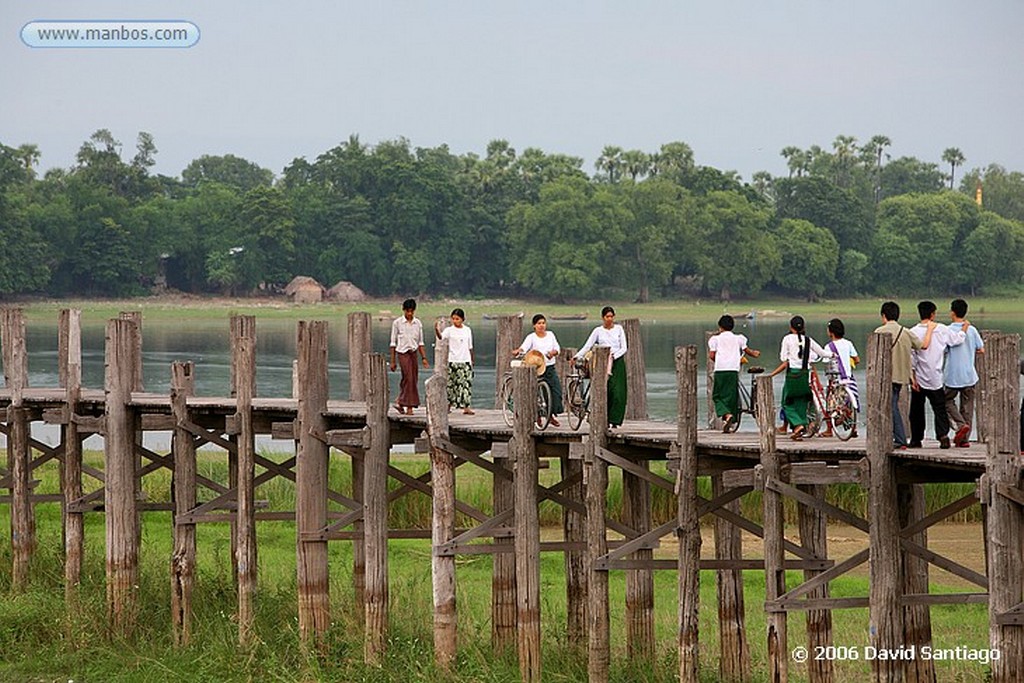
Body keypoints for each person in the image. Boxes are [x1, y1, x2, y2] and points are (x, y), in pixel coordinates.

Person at [875, 301, 932, 449]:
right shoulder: (906, 332)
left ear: (884, 316)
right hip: (901, 376)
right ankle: (896, 437)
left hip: (886, 377)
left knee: (891, 406)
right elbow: (922, 346)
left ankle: (900, 439)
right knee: (892, 405)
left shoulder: (879, 332)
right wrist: (931, 330)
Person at [909, 301, 966, 449]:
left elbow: (912, 356)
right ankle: (943, 436)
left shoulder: (913, 331)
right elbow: (957, 340)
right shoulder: (941, 329)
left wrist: (912, 376)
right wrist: (964, 329)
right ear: (933, 314)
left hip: (919, 378)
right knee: (939, 408)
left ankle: (916, 439)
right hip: (935, 378)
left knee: (916, 410)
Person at [768, 316, 830, 440]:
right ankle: (801, 427)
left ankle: (797, 426)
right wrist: (833, 355)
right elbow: (823, 353)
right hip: (805, 375)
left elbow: (783, 358)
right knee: (802, 401)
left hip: (792, 375)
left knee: (787, 402)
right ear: (803, 327)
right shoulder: (808, 340)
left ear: (791, 327)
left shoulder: (787, 339)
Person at [574, 306, 627, 428]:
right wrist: (577, 356)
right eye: (607, 316)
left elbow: (624, 347)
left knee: (618, 392)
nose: (609, 319)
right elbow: (588, 346)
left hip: (617, 362)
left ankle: (615, 419)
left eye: (611, 316)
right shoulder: (598, 331)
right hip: (602, 362)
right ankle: (604, 418)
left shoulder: (619, 329)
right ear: (603, 318)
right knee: (605, 390)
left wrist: (614, 356)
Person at [708, 314, 760, 432]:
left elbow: (712, 355)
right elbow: (747, 351)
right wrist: (755, 353)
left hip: (720, 370)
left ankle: (726, 415)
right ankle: (731, 417)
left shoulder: (715, 339)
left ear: (720, 327)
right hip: (733, 370)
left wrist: (719, 361)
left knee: (717, 395)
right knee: (731, 396)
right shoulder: (739, 338)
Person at [943, 298, 984, 447]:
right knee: (967, 406)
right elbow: (981, 349)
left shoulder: (947, 330)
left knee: (946, 401)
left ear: (952, 313)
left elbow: (944, 350)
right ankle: (965, 439)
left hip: (952, 375)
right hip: (969, 374)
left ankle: (960, 425)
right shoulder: (972, 330)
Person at [513, 314, 563, 427]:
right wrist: (518, 350)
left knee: (556, 391)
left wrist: (552, 353)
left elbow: (557, 348)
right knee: (534, 392)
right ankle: (538, 415)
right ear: (534, 325)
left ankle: (550, 415)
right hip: (535, 368)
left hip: (549, 366)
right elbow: (524, 348)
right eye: (539, 323)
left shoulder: (550, 335)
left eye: (543, 323)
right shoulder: (531, 337)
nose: (541, 326)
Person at [389, 298, 429, 414]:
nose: (409, 314)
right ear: (403, 310)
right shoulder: (397, 323)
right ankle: (409, 407)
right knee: (408, 377)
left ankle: (400, 401)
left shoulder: (418, 323)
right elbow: (393, 343)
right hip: (402, 353)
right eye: (407, 311)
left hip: (413, 353)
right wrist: (393, 361)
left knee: (413, 378)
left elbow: (420, 342)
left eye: (411, 311)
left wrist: (424, 358)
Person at [822, 318, 860, 438]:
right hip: (849, 379)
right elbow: (857, 359)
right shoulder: (848, 343)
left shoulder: (829, 347)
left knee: (829, 403)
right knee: (850, 403)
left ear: (831, 332)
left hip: (837, 380)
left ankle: (829, 429)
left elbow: (825, 361)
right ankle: (853, 427)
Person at [435, 308, 474, 415]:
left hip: (465, 360)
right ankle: (448, 405)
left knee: (466, 384)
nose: (455, 321)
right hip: (454, 360)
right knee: (452, 384)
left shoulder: (467, 330)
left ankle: (466, 407)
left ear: (462, 319)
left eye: (457, 319)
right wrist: (437, 331)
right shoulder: (449, 330)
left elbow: (470, 346)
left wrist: (472, 360)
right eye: (453, 319)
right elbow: (441, 337)